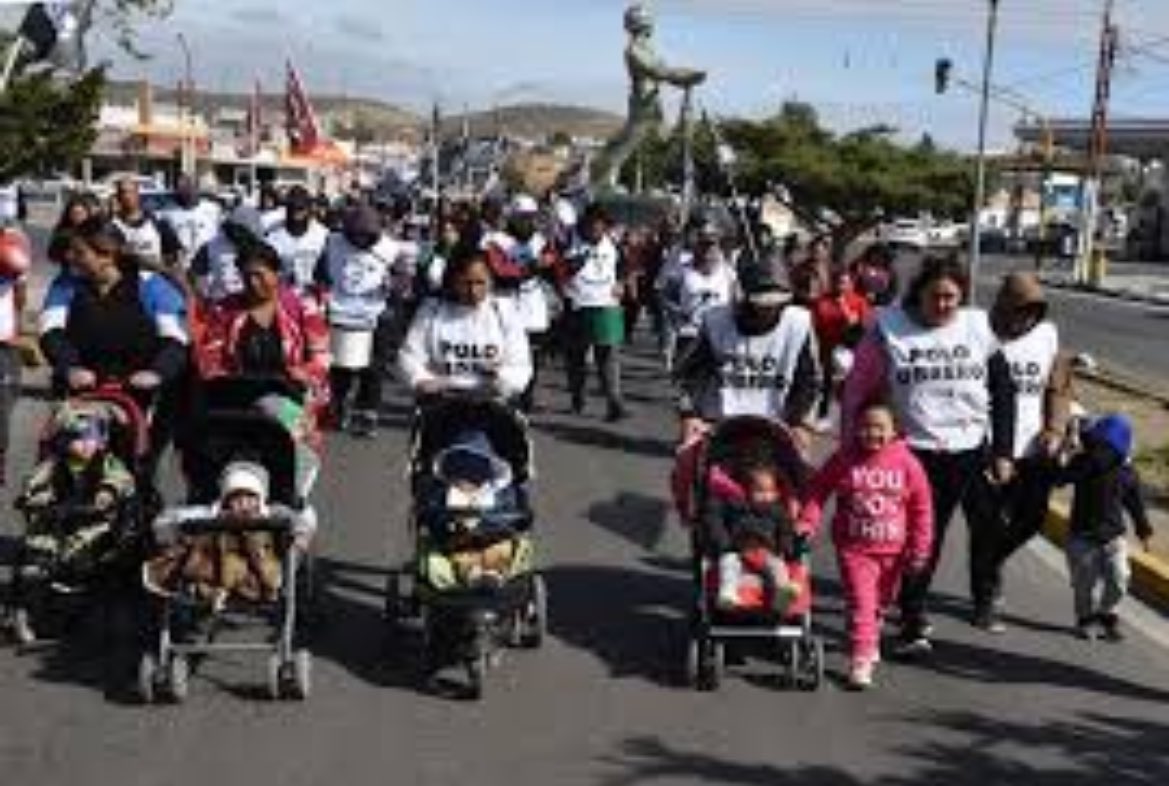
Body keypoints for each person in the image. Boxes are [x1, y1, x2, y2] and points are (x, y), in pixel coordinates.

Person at [842, 254, 1016, 654]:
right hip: (913, 450)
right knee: (924, 537)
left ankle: (982, 599)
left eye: (952, 298)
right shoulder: (889, 328)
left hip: (971, 447)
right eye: (936, 297)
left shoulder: (976, 327)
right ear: (918, 294)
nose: (944, 306)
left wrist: (1003, 450)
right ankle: (912, 617)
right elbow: (858, 388)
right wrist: (853, 443)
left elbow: (1003, 390)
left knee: (989, 527)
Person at [799, 399, 933, 689]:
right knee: (862, 601)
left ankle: (868, 632)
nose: (872, 433)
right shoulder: (845, 458)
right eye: (865, 427)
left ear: (895, 430)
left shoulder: (908, 464)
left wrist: (920, 548)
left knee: (880, 603)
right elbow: (819, 490)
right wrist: (808, 522)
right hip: (855, 548)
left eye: (879, 427)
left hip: (894, 552)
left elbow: (922, 509)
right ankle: (860, 660)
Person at [194, 240, 331, 493]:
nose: (253, 283)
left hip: (290, 396)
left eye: (259, 274)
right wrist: (219, 378)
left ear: (276, 273)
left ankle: (293, 500)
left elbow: (321, 359)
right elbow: (210, 359)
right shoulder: (224, 310)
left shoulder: (303, 306)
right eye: (246, 276)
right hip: (235, 398)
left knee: (290, 433)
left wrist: (301, 374)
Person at [984, 272, 1072, 632]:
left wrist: (1055, 429)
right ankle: (985, 598)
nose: (1026, 317)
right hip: (991, 446)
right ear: (1005, 307)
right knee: (988, 523)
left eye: (1034, 311)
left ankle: (989, 563)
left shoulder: (1047, 335)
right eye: (1020, 309)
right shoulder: (982, 336)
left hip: (1035, 449)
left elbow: (1059, 388)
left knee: (1031, 519)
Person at [674, 255, 820, 447]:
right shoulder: (716, 321)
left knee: (798, 470)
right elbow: (689, 375)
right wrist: (689, 415)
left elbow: (809, 380)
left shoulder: (798, 324)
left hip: (776, 425)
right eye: (761, 304)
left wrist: (799, 421)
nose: (769, 310)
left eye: (776, 305)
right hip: (720, 423)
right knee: (688, 466)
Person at [145, 461, 316, 610]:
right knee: (199, 548)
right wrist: (171, 534)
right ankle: (212, 591)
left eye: (250, 497)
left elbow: (303, 519)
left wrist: (300, 531)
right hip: (216, 569)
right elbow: (168, 520)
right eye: (236, 498)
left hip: (258, 572)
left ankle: (221, 591)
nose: (243, 504)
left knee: (271, 553)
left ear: (261, 498)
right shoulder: (212, 515)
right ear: (226, 500)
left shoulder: (272, 514)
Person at [1051, 415, 1151, 641]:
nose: (1103, 454)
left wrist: (1144, 531)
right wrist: (1064, 451)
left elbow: (1135, 505)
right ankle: (1085, 619)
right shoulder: (1084, 463)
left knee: (1120, 580)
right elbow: (1059, 479)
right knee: (1083, 586)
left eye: (1109, 448)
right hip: (1081, 537)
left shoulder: (1127, 474)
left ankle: (1106, 614)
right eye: (1100, 446)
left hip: (1114, 538)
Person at [399, 243, 532, 402]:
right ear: (453, 280)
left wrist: (504, 380)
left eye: (480, 283)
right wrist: (420, 380)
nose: (473, 291)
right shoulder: (432, 310)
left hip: (493, 401)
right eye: (466, 283)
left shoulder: (504, 311)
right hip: (441, 400)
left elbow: (520, 361)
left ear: (491, 281)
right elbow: (410, 355)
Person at [17, 404, 136, 582]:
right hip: (58, 510)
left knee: (85, 541)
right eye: (78, 440)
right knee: (39, 535)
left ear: (101, 441)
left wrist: (108, 490)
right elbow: (38, 476)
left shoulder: (106, 462)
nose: (86, 445)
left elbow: (121, 478)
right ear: (63, 441)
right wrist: (33, 493)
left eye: (91, 439)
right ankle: (41, 562)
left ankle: (79, 568)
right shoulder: (56, 463)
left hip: (95, 515)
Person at [313, 204, 402, 436]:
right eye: (357, 235)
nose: (361, 240)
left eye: (367, 236)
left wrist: (393, 286)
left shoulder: (389, 248)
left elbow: (403, 280)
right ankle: (338, 406)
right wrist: (321, 293)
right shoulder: (333, 243)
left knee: (373, 368)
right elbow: (320, 273)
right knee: (339, 366)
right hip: (340, 311)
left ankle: (367, 412)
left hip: (375, 313)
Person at [483, 194, 557, 412]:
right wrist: (532, 267)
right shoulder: (495, 241)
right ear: (512, 217)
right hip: (505, 304)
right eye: (523, 217)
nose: (528, 222)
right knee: (506, 354)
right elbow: (501, 273)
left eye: (531, 217)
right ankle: (503, 394)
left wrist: (551, 260)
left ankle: (526, 395)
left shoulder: (540, 241)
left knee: (533, 355)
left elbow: (554, 265)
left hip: (533, 306)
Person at [703, 448, 801, 614]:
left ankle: (782, 593)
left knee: (778, 566)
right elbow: (715, 520)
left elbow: (786, 529)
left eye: (771, 491)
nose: (766, 496)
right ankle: (728, 593)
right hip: (737, 549)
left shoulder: (778, 511)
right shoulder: (735, 506)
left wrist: (786, 546)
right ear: (747, 490)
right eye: (760, 491)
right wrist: (724, 544)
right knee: (728, 564)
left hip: (767, 551)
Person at [558, 203, 627, 421]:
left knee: (608, 355)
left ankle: (614, 400)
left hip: (606, 304)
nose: (597, 229)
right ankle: (578, 394)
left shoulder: (613, 242)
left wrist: (622, 283)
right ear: (585, 224)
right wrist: (573, 265)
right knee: (576, 357)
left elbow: (624, 265)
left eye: (602, 225)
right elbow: (559, 267)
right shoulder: (570, 239)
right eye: (593, 225)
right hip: (577, 304)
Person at [656, 218, 737, 366]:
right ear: (696, 246)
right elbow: (665, 297)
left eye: (712, 246)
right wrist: (677, 314)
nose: (708, 250)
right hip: (689, 335)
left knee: (719, 384)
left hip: (719, 336)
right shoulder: (681, 271)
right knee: (690, 385)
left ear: (719, 247)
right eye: (703, 245)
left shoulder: (728, 273)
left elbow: (737, 300)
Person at [810, 265, 872, 428]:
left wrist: (850, 316)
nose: (841, 286)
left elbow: (866, 327)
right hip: (827, 349)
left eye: (845, 282)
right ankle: (823, 416)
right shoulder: (821, 302)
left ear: (851, 284)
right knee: (826, 385)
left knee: (852, 386)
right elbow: (814, 326)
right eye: (838, 282)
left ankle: (854, 417)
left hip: (851, 352)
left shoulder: (859, 301)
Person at [0, 225, 30, 486]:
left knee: (2, 407)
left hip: (3, 341)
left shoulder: (12, 244)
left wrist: (17, 325)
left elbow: (21, 291)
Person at [190, 205, 267, 304]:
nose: (243, 237)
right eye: (241, 231)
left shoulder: (260, 246)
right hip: (221, 304)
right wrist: (203, 296)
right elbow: (197, 274)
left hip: (253, 302)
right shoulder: (212, 246)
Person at [267, 185, 330, 295]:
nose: (296, 212)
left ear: (308, 209)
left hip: (313, 295)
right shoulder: (272, 235)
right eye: (292, 207)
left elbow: (328, 271)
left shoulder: (323, 234)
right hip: (283, 295)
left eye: (301, 208)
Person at [110, 177, 181, 268]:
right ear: (118, 197)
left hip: (155, 278)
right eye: (123, 192)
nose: (127, 196)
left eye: (131, 192)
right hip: (127, 280)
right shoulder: (111, 226)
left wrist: (161, 266)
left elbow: (173, 253)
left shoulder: (157, 222)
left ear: (137, 194)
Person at [160, 175, 223, 271]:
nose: (187, 192)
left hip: (208, 266)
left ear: (197, 188)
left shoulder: (213, 209)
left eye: (190, 187)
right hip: (182, 267)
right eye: (182, 188)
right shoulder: (167, 213)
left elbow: (220, 235)